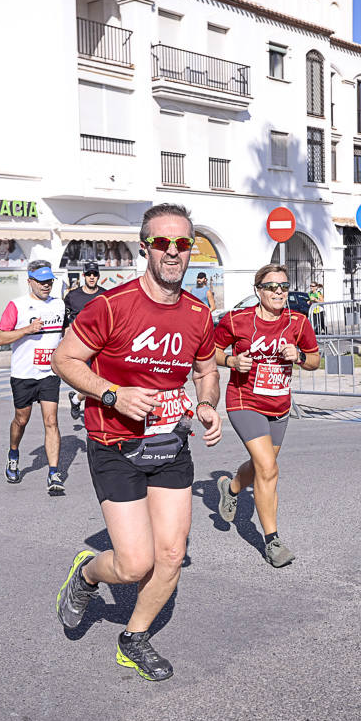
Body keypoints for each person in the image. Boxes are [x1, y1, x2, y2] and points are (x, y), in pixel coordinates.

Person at [52, 203, 222, 682]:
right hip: (114, 443)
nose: (173, 252)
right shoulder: (110, 306)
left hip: (170, 445)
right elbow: (64, 360)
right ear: (144, 247)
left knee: (170, 556)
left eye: (183, 243)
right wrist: (112, 394)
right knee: (133, 564)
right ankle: (87, 573)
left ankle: (134, 637)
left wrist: (208, 404)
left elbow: (206, 371)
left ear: (191, 249)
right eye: (163, 242)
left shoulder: (197, 313)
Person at [214, 264, 320, 567]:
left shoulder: (298, 323)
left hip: (279, 406)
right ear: (258, 290)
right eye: (272, 286)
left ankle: (231, 487)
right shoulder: (237, 320)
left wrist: (298, 357)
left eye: (284, 287)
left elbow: (314, 359)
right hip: (244, 401)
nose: (278, 292)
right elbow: (211, 350)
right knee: (269, 469)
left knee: (262, 466)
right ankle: (272, 541)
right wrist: (232, 360)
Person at [0, 260, 67, 494]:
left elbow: (64, 335)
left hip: (48, 374)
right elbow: (0, 339)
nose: (46, 285)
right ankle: (13, 453)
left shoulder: (59, 305)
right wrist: (27, 329)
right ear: (30, 281)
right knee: (21, 420)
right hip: (23, 374)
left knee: (51, 421)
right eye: (41, 281)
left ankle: (54, 474)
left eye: (49, 281)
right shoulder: (17, 305)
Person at [63, 261, 107, 420]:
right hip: (80, 345)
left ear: (98, 276)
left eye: (95, 274)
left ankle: (76, 399)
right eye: (89, 274)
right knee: (90, 379)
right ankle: (87, 409)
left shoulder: (105, 295)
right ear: (84, 275)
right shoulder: (72, 296)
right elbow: (64, 320)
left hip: (102, 345)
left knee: (101, 378)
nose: (92, 277)